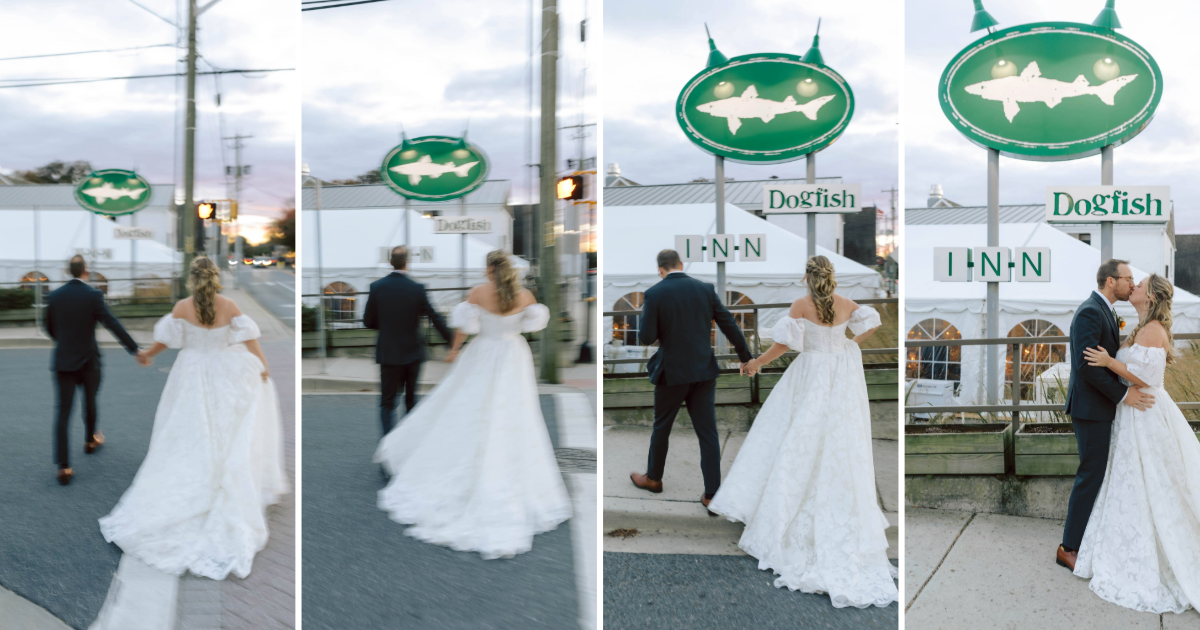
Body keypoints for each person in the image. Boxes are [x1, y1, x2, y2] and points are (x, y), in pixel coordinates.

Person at [708, 255, 897, 608]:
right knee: (832, 436)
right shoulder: (845, 304)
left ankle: (783, 509)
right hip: (838, 375)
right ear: (830, 277)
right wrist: (849, 343)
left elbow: (783, 347)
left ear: (807, 278)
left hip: (809, 374)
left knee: (794, 438)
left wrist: (754, 364)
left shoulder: (800, 304)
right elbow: (871, 321)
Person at [96, 256, 288, 582]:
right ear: (215, 278)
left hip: (191, 372)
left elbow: (165, 342)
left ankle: (197, 470)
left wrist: (146, 355)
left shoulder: (182, 307)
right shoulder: (229, 305)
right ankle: (223, 472)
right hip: (225, 371)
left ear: (191, 279)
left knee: (188, 428)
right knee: (226, 426)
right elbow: (249, 340)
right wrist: (263, 365)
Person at [374, 250, 570, 559]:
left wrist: (453, 351)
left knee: (466, 408)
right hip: (513, 356)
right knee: (515, 414)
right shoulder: (526, 295)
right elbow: (535, 326)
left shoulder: (478, 292)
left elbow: (464, 329)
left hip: (483, 353)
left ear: (490, 269)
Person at [1072, 273, 1200, 614]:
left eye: (1140, 284)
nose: (1135, 287)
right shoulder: (1141, 327)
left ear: (1151, 295)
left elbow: (1148, 378)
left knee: (1155, 484)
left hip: (1146, 413)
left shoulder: (1155, 330)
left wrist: (1110, 361)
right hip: (1131, 414)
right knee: (1132, 485)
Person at [628, 249, 752, 513]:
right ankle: (711, 495)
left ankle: (653, 479)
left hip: (671, 373)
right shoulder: (705, 289)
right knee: (708, 433)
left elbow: (646, 337)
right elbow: (728, 323)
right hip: (703, 371)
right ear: (681, 265)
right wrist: (745, 357)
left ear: (660, 269)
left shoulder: (654, 293)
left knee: (662, 427)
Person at [1057, 259, 1154, 571]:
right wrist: (1124, 394)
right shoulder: (1089, 311)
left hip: (1100, 407)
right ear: (1111, 281)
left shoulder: (1107, 311)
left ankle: (1080, 539)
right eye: (1128, 279)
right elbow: (1086, 367)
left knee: (1096, 473)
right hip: (1090, 409)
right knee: (1090, 474)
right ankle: (1068, 548)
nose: (1131, 284)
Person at [43, 255, 145, 485]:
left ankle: (63, 467)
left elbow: (48, 326)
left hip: (63, 361)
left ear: (68, 271)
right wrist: (135, 350)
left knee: (63, 412)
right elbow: (111, 323)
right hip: (89, 360)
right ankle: (90, 441)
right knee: (90, 401)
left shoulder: (55, 296)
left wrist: (65, 341)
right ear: (85, 272)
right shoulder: (93, 296)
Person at [363, 245, 454, 435]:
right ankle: (406, 448)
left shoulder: (377, 287)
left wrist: (387, 325)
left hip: (388, 352)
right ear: (407, 263)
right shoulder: (417, 288)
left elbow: (368, 321)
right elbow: (435, 317)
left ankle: (387, 450)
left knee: (387, 403)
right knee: (411, 401)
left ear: (390, 262)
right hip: (413, 352)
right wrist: (452, 342)